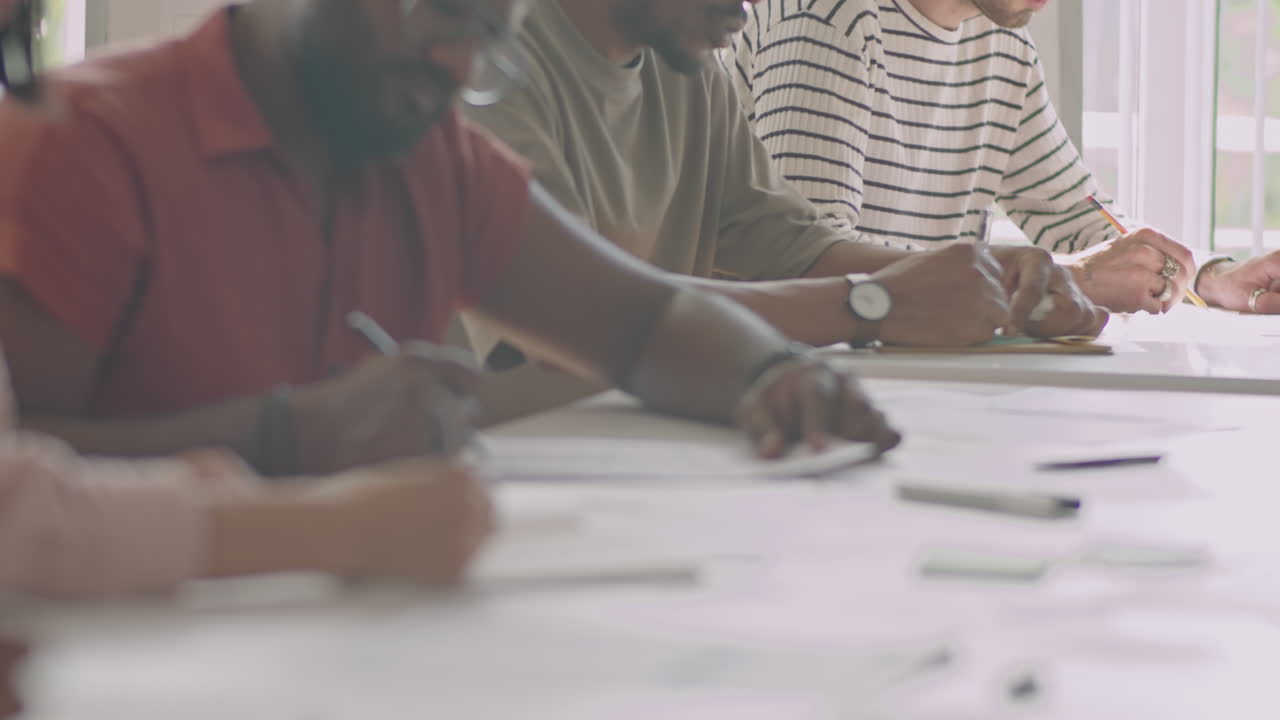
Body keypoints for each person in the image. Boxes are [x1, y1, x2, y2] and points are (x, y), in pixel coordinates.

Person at [0, 0, 901, 472]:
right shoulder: (82, 145)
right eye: (441, 10)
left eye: (488, 34)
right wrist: (281, 435)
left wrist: (773, 375)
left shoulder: (427, 155)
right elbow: (19, 477)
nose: (457, 67)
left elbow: (644, 324)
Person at [459, 0, 1106, 423]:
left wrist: (986, 277)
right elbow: (580, 317)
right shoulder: (478, 65)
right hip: (508, 472)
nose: (747, 14)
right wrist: (873, 303)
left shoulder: (688, 72)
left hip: (642, 448)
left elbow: (792, 242)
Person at [725, 0, 1280, 316]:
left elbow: (1078, 219)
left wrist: (1209, 278)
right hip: (817, 382)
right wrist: (1065, 278)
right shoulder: (830, 18)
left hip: (916, 367)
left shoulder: (1002, 44)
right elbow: (808, 265)